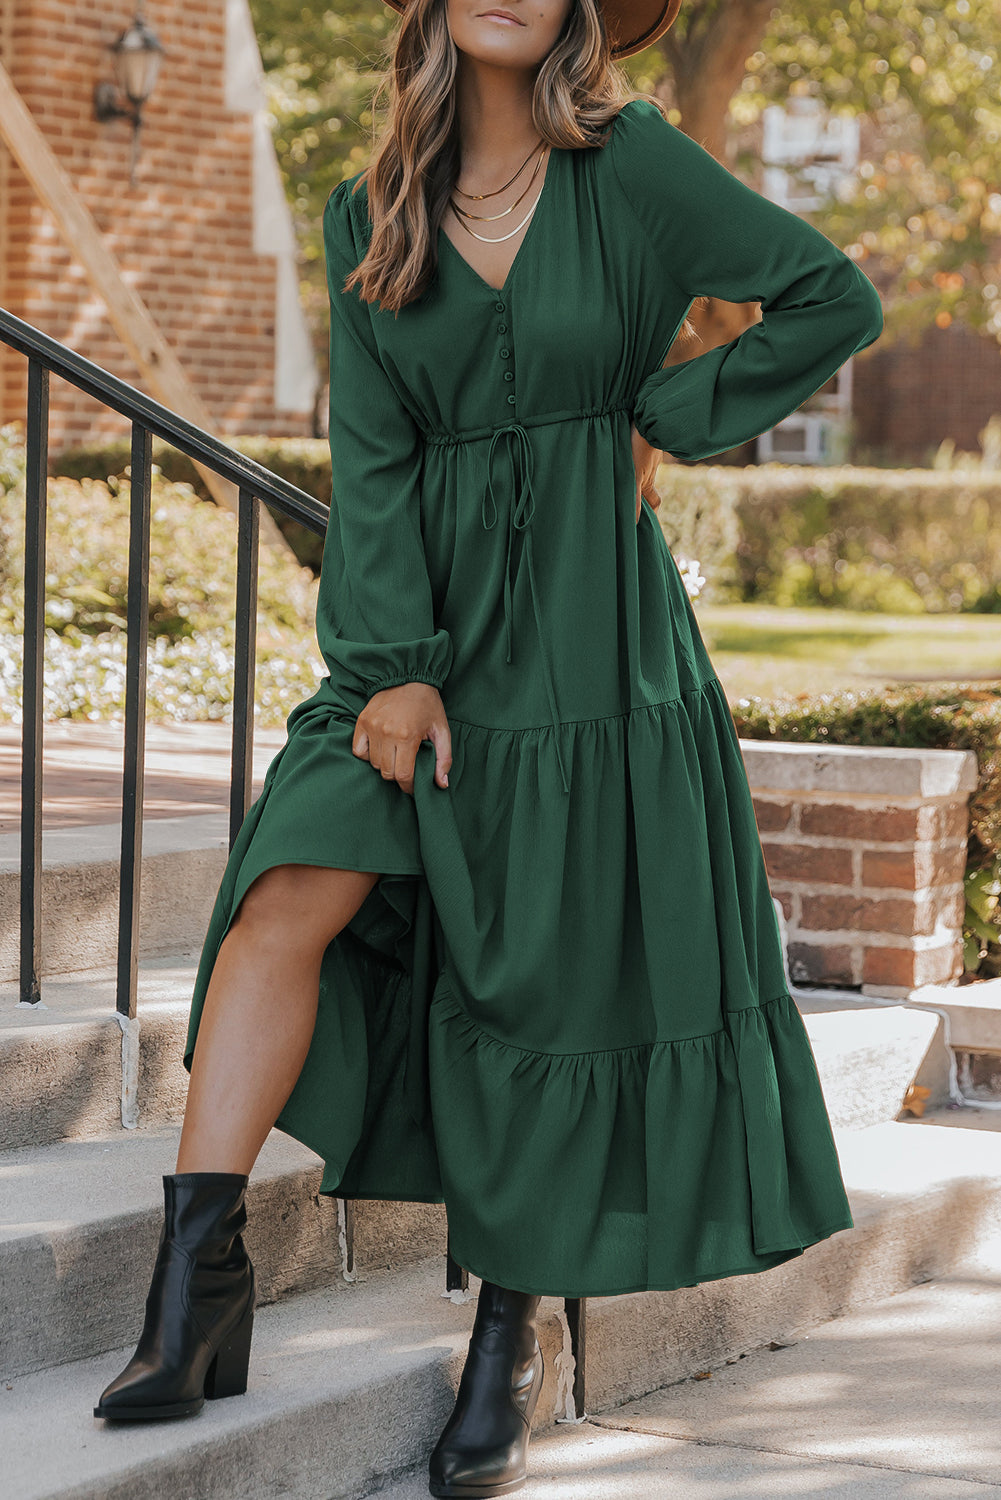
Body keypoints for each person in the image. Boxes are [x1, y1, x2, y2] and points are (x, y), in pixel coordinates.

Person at [93, 0, 884, 1494]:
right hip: (422, 625)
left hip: (588, 632)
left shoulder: (633, 168)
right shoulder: (373, 206)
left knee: (546, 960)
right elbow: (374, 452)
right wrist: (393, 667)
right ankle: (195, 1284)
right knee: (285, 893)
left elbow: (828, 298)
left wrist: (660, 417)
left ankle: (512, 1333)